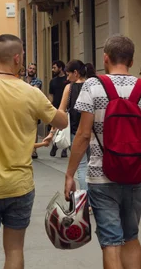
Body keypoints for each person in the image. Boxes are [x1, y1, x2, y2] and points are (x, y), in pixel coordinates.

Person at [66, 35, 141, 268]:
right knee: (131, 236)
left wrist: (70, 174)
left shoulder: (93, 86)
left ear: (105, 58)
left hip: (100, 176)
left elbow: (83, 135)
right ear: (132, 59)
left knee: (110, 241)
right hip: (135, 175)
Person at [0, 34, 68, 269]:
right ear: (17, 58)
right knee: (15, 249)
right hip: (20, 184)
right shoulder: (31, 92)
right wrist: (66, 97)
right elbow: (61, 122)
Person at [52, 60, 90, 190]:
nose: (67, 78)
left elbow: (61, 111)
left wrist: (53, 131)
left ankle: (86, 200)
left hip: (76, 132)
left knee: (82, 166)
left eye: (68, 75)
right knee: (94, 166)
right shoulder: (93, 86)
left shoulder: (69, 88)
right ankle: (93, 200)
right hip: (94, 133)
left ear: (76, 73)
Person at [49, 60, 69, 158]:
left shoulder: (67, 80)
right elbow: (51, 95)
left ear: (60, 68)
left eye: (54, 67)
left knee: (65, 128)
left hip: (67, 107)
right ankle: (55, 145)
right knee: (55, 127)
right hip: (56, 107)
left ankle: (64, 148)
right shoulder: (52, 81)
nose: (53, 70)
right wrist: (50, 105)